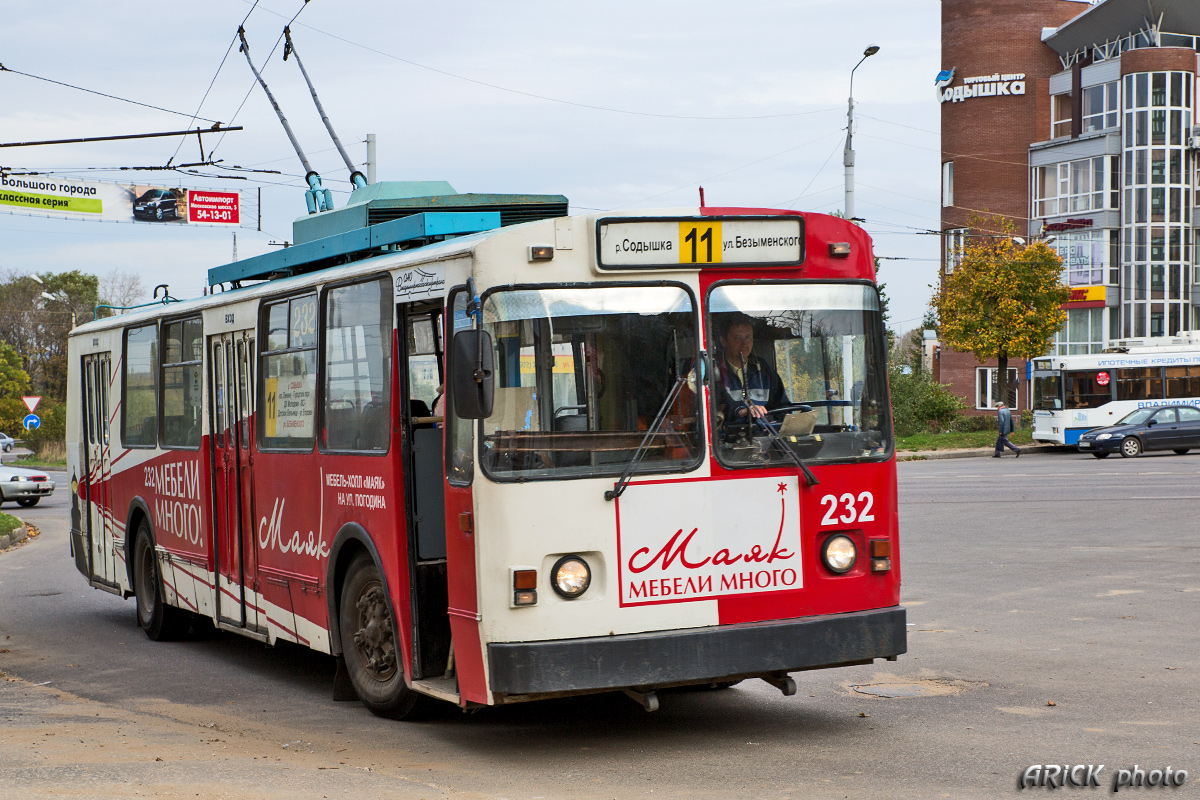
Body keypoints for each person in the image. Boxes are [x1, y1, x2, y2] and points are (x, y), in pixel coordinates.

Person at [717, 317, 789, 428]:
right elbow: (714, 407)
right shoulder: (714, 371)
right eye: (737, 338)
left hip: (764, 439)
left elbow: (782, 407)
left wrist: (773, 424)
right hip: (726, 440)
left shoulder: (764, 369)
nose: (744, 343)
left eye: (748, 337)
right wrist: (742, 411)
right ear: (723, 341)